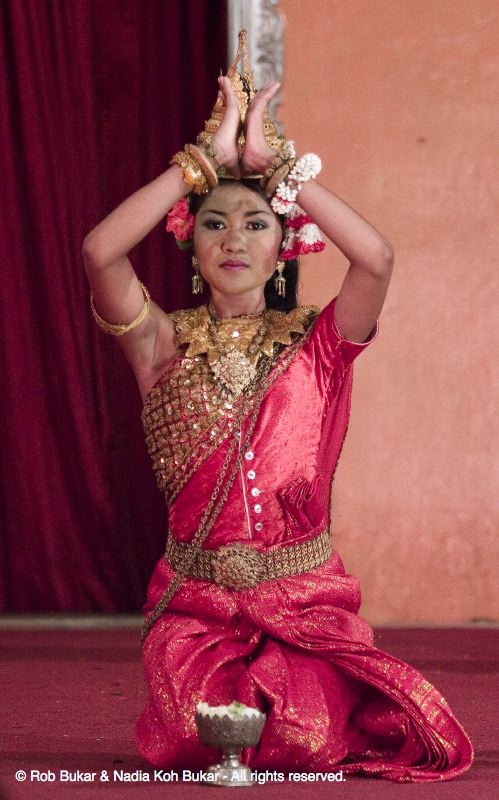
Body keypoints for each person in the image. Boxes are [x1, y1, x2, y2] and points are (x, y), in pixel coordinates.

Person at [83, 34, 472, 782]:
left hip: (303, 605)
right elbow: (100, 251)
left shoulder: (320, 345)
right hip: (197, 610)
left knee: (303, 738)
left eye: (255, 222)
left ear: (285, 245)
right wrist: (198, 163)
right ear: (189, 244)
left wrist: (277, 167)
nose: (233, 238)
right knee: (197, 739)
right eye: (214, 222)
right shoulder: (159, 344)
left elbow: (378, 258)